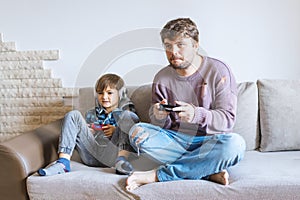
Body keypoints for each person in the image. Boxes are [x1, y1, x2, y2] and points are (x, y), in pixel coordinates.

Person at [126, 18, 246, 190]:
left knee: (235, 145)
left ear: (196, 45)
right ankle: (206, 170)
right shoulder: (162, 77)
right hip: (176, 140)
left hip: (209, 141)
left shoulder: (219, 71)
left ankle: (158, 175)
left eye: (180, 44)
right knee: (137, 132)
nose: (173, 52)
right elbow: (160, 127)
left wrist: (196, 114)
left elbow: (227, 120)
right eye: (168, 46)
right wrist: (158, 116)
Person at [38, 73, 139, 176]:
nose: (104, 97)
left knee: (130, 116)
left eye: (109, 93)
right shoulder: (91, 114)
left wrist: (115, 131)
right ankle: (63, 163)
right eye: (100, 93)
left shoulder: (125, 113)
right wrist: (88, 132)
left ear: (120, 94)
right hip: (92, 154)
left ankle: (121, 162)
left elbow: (133, 132)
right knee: (73, 114)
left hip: (113, 155)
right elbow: (85, 136)